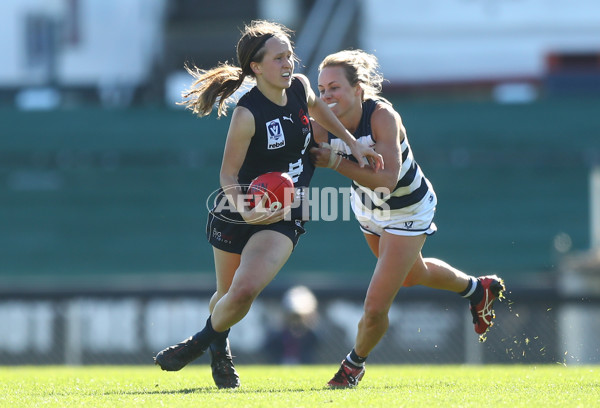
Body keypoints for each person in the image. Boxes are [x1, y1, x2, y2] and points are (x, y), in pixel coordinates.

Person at [153, 21, 383, 389]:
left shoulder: (300, 87)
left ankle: (196, 343)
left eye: (289, 55)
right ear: (256, 67)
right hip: (240, 208)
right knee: (226, 296)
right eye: (278, 58)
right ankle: (219, 350)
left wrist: (352, 143)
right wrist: (245, 208)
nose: (288, 63)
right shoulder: (247, 114)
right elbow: (227, 176)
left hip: (284, 213)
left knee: (244, 292)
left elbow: (320, 110)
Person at [308, 50, 506, 388]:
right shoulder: (322, 119)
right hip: (368, 208)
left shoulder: (382, 116)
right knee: (413, 276)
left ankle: (352, 367)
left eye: (335, 88)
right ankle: (477, 290)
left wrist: (336, 163)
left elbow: (386, 181)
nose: (327, 96)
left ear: (358, 89)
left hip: (408, 210)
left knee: (374, 308)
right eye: (322, 89)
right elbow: (310, 149)